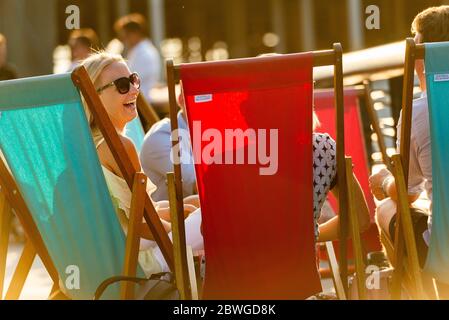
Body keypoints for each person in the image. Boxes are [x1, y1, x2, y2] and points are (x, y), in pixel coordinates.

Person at [80, 52, 203, 276]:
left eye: (134, 80)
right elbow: (146, 225)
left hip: (111, 261)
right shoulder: (118, 146)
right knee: (211, 220)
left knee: (196, 206)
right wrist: (179, 228)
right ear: (93, 98)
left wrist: (181, 211)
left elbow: (133, 212)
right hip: (136, 265)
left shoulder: (83, 146)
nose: (136, 90)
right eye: (122, 85)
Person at [369, 5, 449, 297]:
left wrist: (383, 181)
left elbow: (407, 191)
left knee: (387, 208)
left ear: (424, 56)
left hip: (446, 258)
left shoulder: (420, 112)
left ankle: (421, 295)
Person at [140, 89, 197, 201]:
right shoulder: (161, 138)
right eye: (203, 96)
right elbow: (201, 187)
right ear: (181, 99)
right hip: (176, 217)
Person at [114, 13, 161, 102]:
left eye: (125, 36)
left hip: (141, 101)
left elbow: (129, 80)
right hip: (138, 98)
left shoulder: (144, 53)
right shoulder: (139, 50)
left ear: (134, 33)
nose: (123, 40)